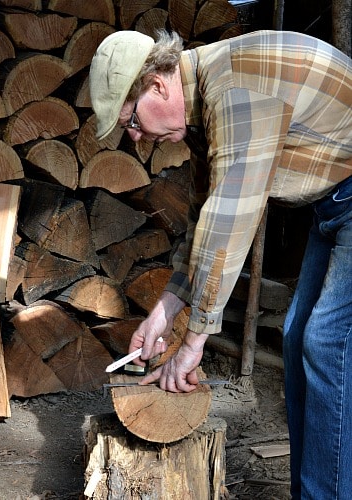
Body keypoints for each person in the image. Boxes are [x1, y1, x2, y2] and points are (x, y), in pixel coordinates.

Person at [89, 29, 352, 499]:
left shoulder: (233, 88)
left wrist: (193, 345)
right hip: (335, 204)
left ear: (156, 84)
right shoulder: (206, 101)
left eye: (130, 121)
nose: (137, 138)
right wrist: (164, 311)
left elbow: (232, 217)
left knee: (328, 341)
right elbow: (202, 223)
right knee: (296, 338)